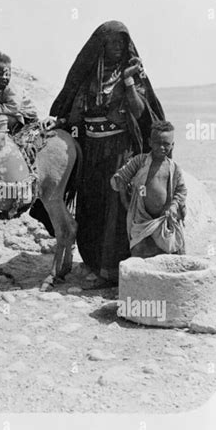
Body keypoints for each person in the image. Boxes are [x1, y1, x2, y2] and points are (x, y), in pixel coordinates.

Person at [48, 20, 166, 287]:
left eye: (122, 43)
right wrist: (61, 123)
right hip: (92, 152)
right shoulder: (90, 76)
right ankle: (93, 262)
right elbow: (77, 112)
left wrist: (128, 82)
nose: (118, 47)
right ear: (101, 45)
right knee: (91, 207)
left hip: (120, 152)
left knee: (116, 209)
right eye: (112, 42)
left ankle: (111, 271)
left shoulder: (134, 73)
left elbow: (140, 112)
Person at [110, 121, 186, 258]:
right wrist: (125, 202)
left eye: (166, 144)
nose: (162, 147)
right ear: (150, 142)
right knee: (139, 251)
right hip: (141, 219)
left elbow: (181, 191)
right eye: (158, 143)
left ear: (173, 145)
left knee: (169, 251)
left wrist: (173, 206)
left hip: (163, 219)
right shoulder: (140, 161)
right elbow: (121, 178)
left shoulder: (174, 168)